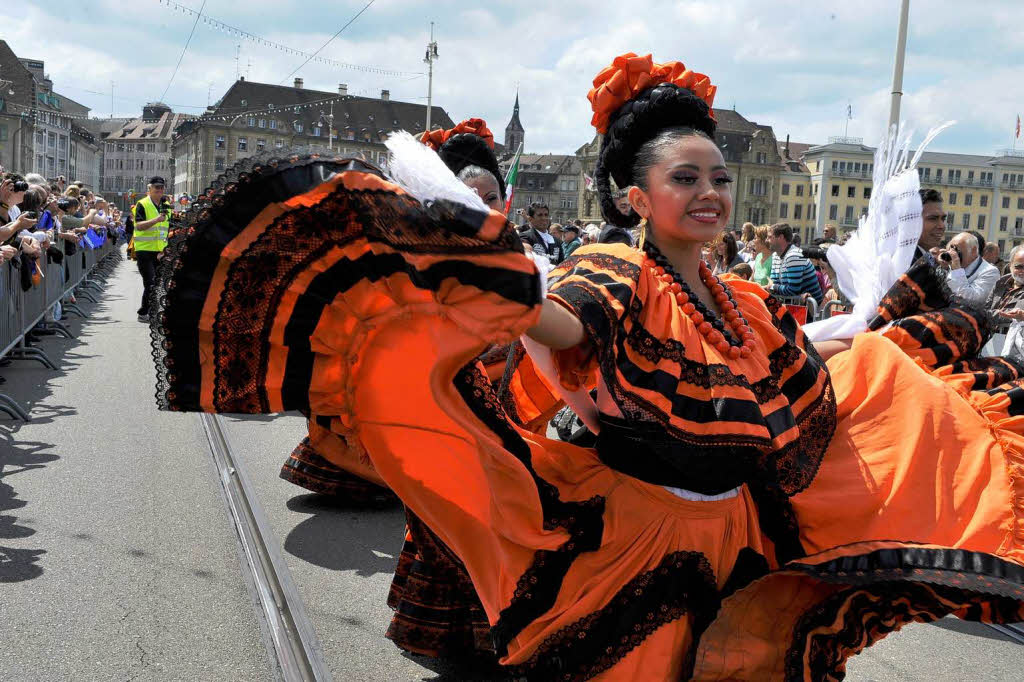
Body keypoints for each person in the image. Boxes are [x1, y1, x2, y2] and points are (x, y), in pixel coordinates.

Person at [153, 53, 1024, 681]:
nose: (712, 191)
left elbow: (789, 361)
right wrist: (493, 286)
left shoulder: (743, 300)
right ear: (636, 197)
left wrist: (873, 336)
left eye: (718, 175)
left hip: (735, 535)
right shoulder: (614, 268)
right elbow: (570, 326)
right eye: (687, 177)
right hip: (635, 542)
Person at [132, 176, 172, 322]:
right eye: (156, 187)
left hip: (160, 251)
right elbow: (139, 226)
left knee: (158, 283)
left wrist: (165, 249)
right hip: (144, 250)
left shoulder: (166, 205)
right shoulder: (142, 204)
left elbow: (168, 228)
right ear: (149, 189)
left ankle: (152, 311)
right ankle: (143, 312)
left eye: (161, 187)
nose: (159, 190)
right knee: (150, 281)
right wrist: (156, 220)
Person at [940, 230, 999, 307]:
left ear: (974, 251)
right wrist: (941, 268)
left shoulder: (990, 272)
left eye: (956, 249)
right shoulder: (949, 266)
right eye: (950, 248)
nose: (953, 253)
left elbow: (973, 300)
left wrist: (957, 271)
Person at [767, 222, 823, 302]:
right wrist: (773, 286)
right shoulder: (775, 255)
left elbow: (792, 290)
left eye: (769, 237)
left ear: (780, 237)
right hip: (794, 306)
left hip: (809, 311)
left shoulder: (794, 256)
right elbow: (774, 282)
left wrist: (773, 287)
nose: (767, 240)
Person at [916, 188, 946, 260]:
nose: (942, 226)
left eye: (943, 219)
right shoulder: (903, 263)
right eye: (933, 218)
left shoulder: (930, 259)